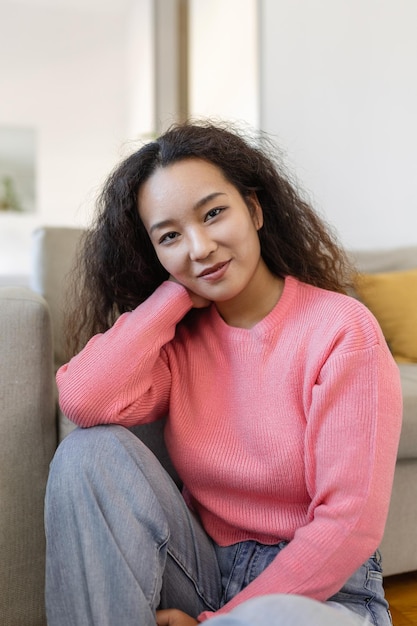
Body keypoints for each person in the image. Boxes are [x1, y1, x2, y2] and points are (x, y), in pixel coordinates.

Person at [45, 120, 402, 626]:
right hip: (205, 572)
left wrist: (222, 623)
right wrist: (173, 294)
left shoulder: (342, 329)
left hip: (321, 595)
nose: (199, 247)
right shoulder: (179, 341)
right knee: (87, 453)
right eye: (170, 236)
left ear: (254, 209)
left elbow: (349, 524)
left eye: (213, 214)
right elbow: (82, 400)